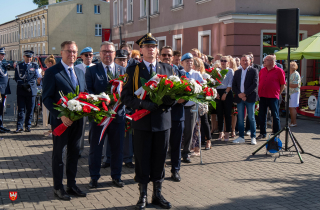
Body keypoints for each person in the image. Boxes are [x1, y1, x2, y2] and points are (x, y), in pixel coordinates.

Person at [121, 33, 175, 209]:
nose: (151, 49)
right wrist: (143, 103)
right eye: (147, 47)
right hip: (142, 122)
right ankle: (142, 195)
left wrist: (169, 101)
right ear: (141, 50)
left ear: (157, 50)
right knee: (142, 159)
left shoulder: (167, 69)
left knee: (160, 159)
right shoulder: (133, 70)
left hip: (162, 122)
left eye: (154, 46)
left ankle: (157, 194)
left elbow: (175, 94)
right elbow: (126, 98)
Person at [42, 41, 87, 200]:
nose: (72, 54)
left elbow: (84, 95)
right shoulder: (53, 72)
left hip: (78, 121)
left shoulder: (80, 72)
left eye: (74, 52)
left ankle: (72, 184)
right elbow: (46, 98)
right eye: (69, 51)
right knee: (59, 155)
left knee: (74, 153)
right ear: (61, 53)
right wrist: (60, 115)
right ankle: (58, 187)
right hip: (61, 121)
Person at [85, 41, 126, 188]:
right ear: (99, 54)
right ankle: (94, 177)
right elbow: (88, 91)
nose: (107, 54)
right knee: (96, 149)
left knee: (117, 149)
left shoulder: (123, 71)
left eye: (110, 51)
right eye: (104, 51)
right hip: (99, 117)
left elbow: (126, 93)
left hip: (118, 116)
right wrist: (100, 103)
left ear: (114, 54)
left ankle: (116, 176)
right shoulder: (91, 70)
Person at [102, 49, 135, 169]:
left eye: (124, 60)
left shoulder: (130, 73)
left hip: (127, 109)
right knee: (108, 136)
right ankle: (107, 158)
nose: (122, 62)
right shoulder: (112, 71)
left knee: (128, 136)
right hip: (111, 108)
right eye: (120, 59)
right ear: (115, 60)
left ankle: (128, 158)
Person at [159, 45, 185, 182]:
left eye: (169, 55)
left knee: (176, 145)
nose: (167, 58)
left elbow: (186, 91)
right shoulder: (156, 72)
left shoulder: (179, 72)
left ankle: (175, 169)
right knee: (161, 146)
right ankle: (160, 170)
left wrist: (184, 98)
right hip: (162, 115)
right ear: (159, 56)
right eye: (164, 55)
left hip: (177, 115)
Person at [180, 53, 204, 163]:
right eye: (187, 61)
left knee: (189, 130)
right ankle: (174, 151)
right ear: (182, 63)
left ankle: (186, 153)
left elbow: (203, 88)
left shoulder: (196, 74)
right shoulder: (179, 73)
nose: (189, 63)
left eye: (191, 61)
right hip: (179, 106)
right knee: (179, 130)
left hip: (191, 106)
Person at [257, 55, 286, 139]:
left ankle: (276, 133)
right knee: (262, 115)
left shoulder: (279, 71)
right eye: (264, 60)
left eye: (266, 60)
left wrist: (278, 94)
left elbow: (282, 84)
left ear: (272, 61)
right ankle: (262, 133)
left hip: (273, 96)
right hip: (262, 96)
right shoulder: (262, 70)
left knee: (275, 115)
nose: (264, 62)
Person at [232, 55, 259, 145]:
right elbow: (234, 85)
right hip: (240, 98)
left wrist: (245, 94)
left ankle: (253, 137)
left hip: (250, 98)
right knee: (240, 118)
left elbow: (255, 84)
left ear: (250, 61)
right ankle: (241, 137)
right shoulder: (237, 72)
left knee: (251, 117)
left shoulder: (254, 71)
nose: (244, 62)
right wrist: (239, 94)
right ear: (240, 62)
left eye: (246, 60)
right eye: (243, 60)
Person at [75, 47, 95, 158]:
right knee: (81, 128)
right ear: (81, 56)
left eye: (90, 55)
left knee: (94, 127)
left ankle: (94, 149)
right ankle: (79, 149)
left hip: (93, 102)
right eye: (86, 55)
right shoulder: (77, 68)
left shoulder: (96, 68)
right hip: (81, 102)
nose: (88, 57)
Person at [14, 50, 40, 133]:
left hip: (31, 90)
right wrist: (23, 85)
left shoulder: (34, 66)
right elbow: (17, 77)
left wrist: (29, 85)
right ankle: (19, 126)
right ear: (24, 57)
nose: (29, 58)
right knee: (21, 109)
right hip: (21, 90)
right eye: (27, 57)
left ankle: (27, 126)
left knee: (30, 109)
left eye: (30, 57)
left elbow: (36, 76)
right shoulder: (19, 66)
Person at [193, 57, 212, 149]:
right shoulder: (191, 74)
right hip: (193, 101)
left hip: (202, 101)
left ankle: (208, 140)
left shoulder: (205, 76)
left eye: (196, 65)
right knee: (194, 122)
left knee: (204, 121)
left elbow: (208, 90)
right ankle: (196, 142)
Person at [215, 56, 234, 141]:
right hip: (218, 92)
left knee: (227, 114)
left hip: (227, 92)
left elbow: (230, 83)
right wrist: (216, 93)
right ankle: (220, 132)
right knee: (219, 114)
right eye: (221, 61)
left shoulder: (230, 71)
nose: (223, 62)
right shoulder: (217, 70)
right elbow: (214, 82)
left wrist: (225, 93)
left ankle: (227, 133)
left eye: (225, 61)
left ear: (228, 62)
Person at [43, 55, 56, 137]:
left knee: (52, 114)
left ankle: (53, 130)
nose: (46, 66)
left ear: (50, 63)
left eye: (47, 64)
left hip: (52, 96)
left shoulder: (51, 71)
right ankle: (52, 129)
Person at [0, 47, 11, 133]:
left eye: (4, 54)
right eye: (1, 54)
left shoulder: (2, 64)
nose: (3, 56)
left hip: (3, 90)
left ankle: (1, 125)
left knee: (1, 109)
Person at [287, 61, 301, 127]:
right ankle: (292, 122)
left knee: (292, 107)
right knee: (291, 107)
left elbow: (296, 85)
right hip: (291, 92)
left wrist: (287, 84)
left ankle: (294, 122)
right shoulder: (292, 74)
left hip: (294, 93)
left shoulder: (295, 74)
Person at [229, 57, 239, 138]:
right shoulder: (224, 71)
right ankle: (226, 129)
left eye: (230, 62)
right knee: (226, 113)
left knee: (234, 113)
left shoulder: (237, 72)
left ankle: (233, 129)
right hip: (227, 93)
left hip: (234, 93)